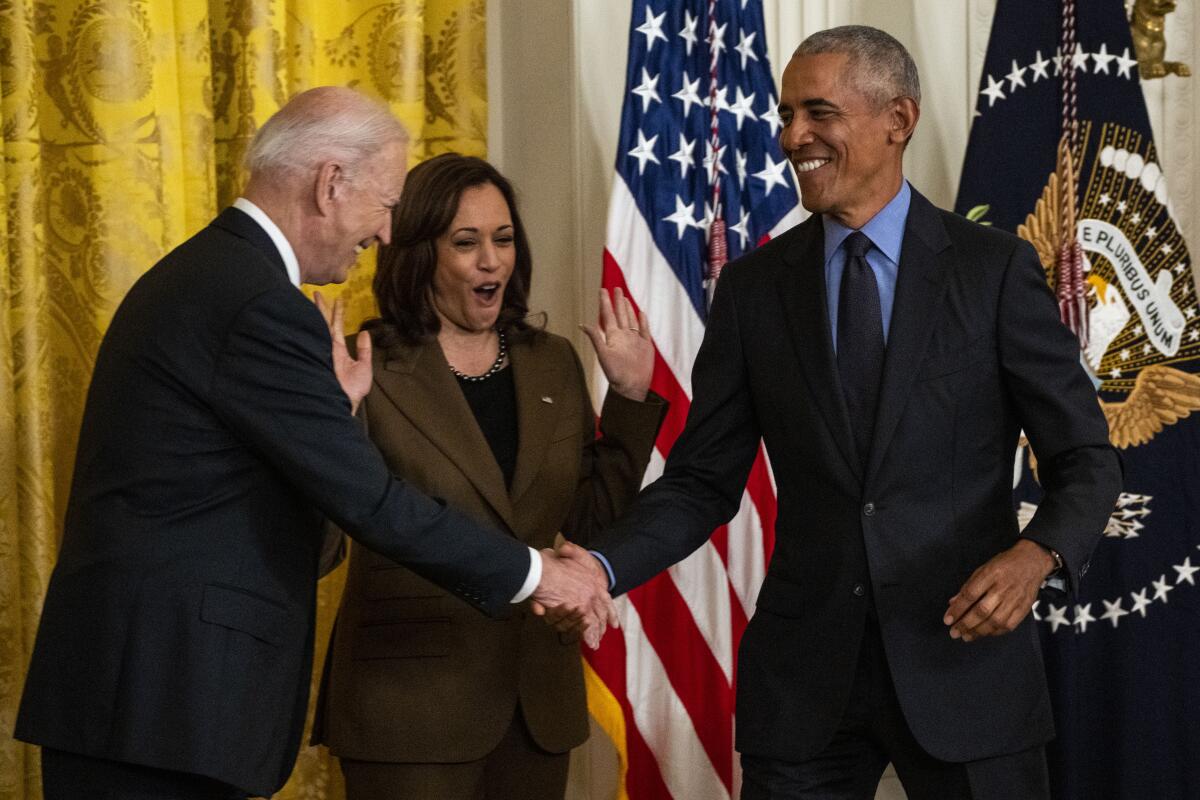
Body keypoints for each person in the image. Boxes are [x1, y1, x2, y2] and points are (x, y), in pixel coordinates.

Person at [14, 87, 613, 800]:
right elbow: (370, 500)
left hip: (144, 702)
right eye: (387, 205)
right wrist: (535, 574)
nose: (387, 234)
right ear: (331, 184)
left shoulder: (212, 276)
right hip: (165, 708)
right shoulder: (258, 304)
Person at [574, 26, 1123, 800]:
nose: (793, 136)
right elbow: (701, 481)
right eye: (788, 113)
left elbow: (1087, 461)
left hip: (967, 670)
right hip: (805, 687)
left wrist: (1038, 557)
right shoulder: (754, 289)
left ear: (897, 119)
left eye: (818, 113)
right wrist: (601, 565)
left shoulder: (993, 270)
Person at [311, 153, 667, 800]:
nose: (491, 261)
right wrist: (334, 419)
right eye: (466, 243)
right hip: (408, 711)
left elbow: (585, 526)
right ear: (420, 257)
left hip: (535, 704)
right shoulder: (368, 365)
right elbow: (322, 548)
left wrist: (631, 401)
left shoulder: (552, 362)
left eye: (503, 240)